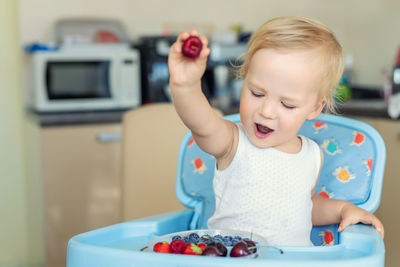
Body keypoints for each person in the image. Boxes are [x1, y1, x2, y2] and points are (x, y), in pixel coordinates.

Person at [168, 16, 384, 246]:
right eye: (257, 93)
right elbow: (201, 123)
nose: (267, 111)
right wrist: (185, 86)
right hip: (231, 259)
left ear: (315, 107)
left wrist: (343, 209)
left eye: (287, 104)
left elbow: (304, 207)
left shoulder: (312, 155)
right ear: (245, 77)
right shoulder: (232, 141)